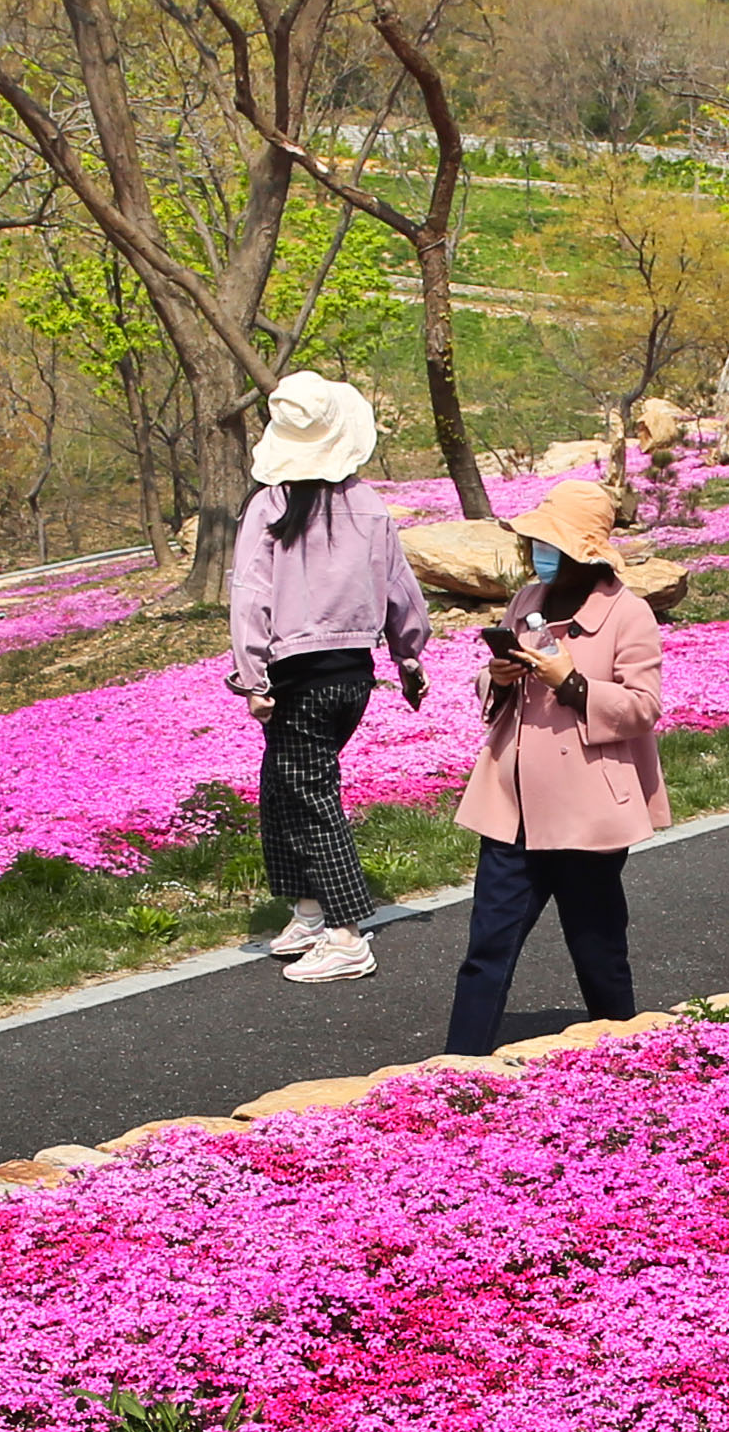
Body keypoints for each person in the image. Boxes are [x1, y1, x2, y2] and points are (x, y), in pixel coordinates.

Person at [442, 479, 666, 1056]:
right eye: (536, 543)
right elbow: (492, 688)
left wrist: (570, 683)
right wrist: (495, 678)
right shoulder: (526, 602)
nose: (540, 554)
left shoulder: (628, 613)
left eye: (551, 544)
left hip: (586, 814)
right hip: (513, 805)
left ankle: (621, 1053)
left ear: (583, 552)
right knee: (487, 946)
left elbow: (643, 707)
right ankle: (456, 1069)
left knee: (597, 947)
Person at [225, 372, 432, 985]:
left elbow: (249, 595)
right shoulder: (367, 503)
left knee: (310, 798)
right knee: (283, 784)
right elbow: (401, 588)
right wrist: (409, 655)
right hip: (353, 678)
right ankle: (309, 911)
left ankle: (346, 934)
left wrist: (253, 677)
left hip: (298, 678)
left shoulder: (271, 504)